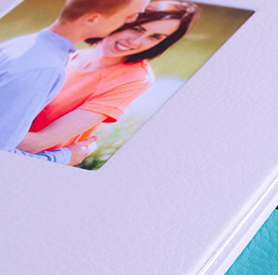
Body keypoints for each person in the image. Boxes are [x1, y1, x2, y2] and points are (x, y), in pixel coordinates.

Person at [15, 0, 198, 161]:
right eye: (136, 28)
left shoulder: (135, 78)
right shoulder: (69, 54)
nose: (135, 41)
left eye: (155, 37)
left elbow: (36, 144)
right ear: (121, 19)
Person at [0, 0, 149, 165]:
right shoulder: (46, 68)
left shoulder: (23, 44)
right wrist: (62, 158)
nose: (130, 22)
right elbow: (3, 154)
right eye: (128, 17)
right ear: (92, 19)